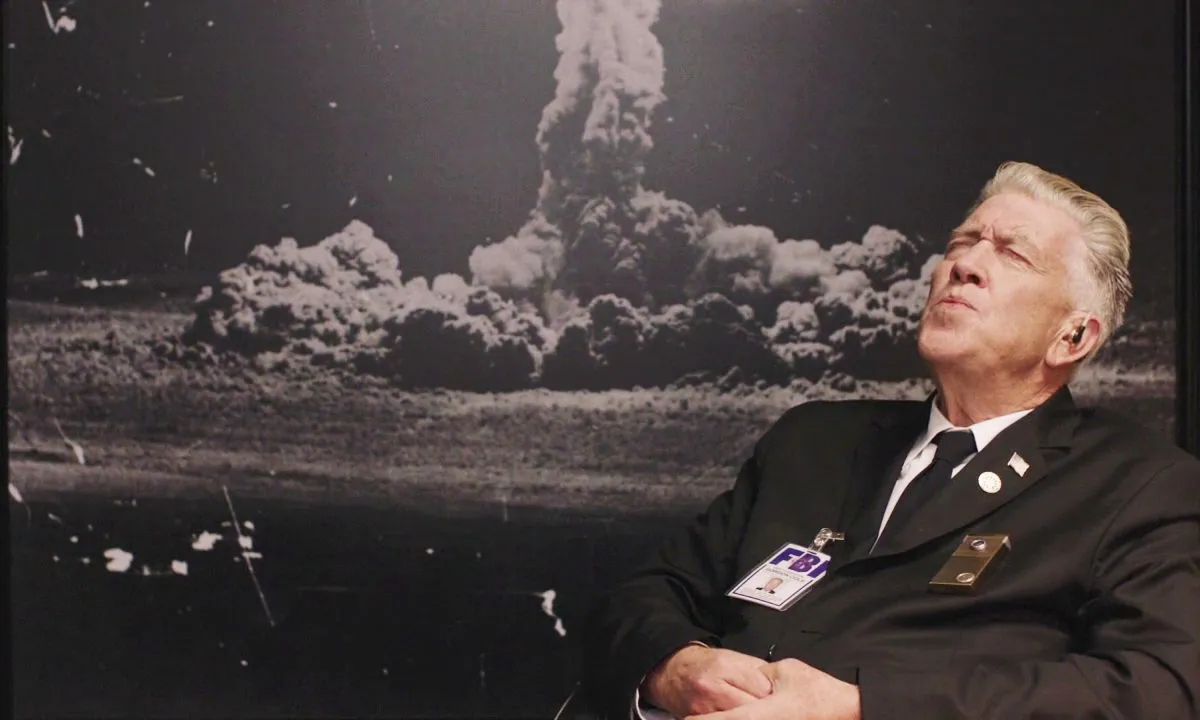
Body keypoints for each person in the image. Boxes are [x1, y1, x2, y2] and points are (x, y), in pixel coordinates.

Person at [580, 161, 1200, 720]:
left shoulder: (1138, 486)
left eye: (1012, 254)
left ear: (1073, 338)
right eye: (963, 240)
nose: (964, 263)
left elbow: (1156, 687)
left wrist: (862, 708)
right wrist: (675, 668)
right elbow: (645, 593)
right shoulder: (814, 439)